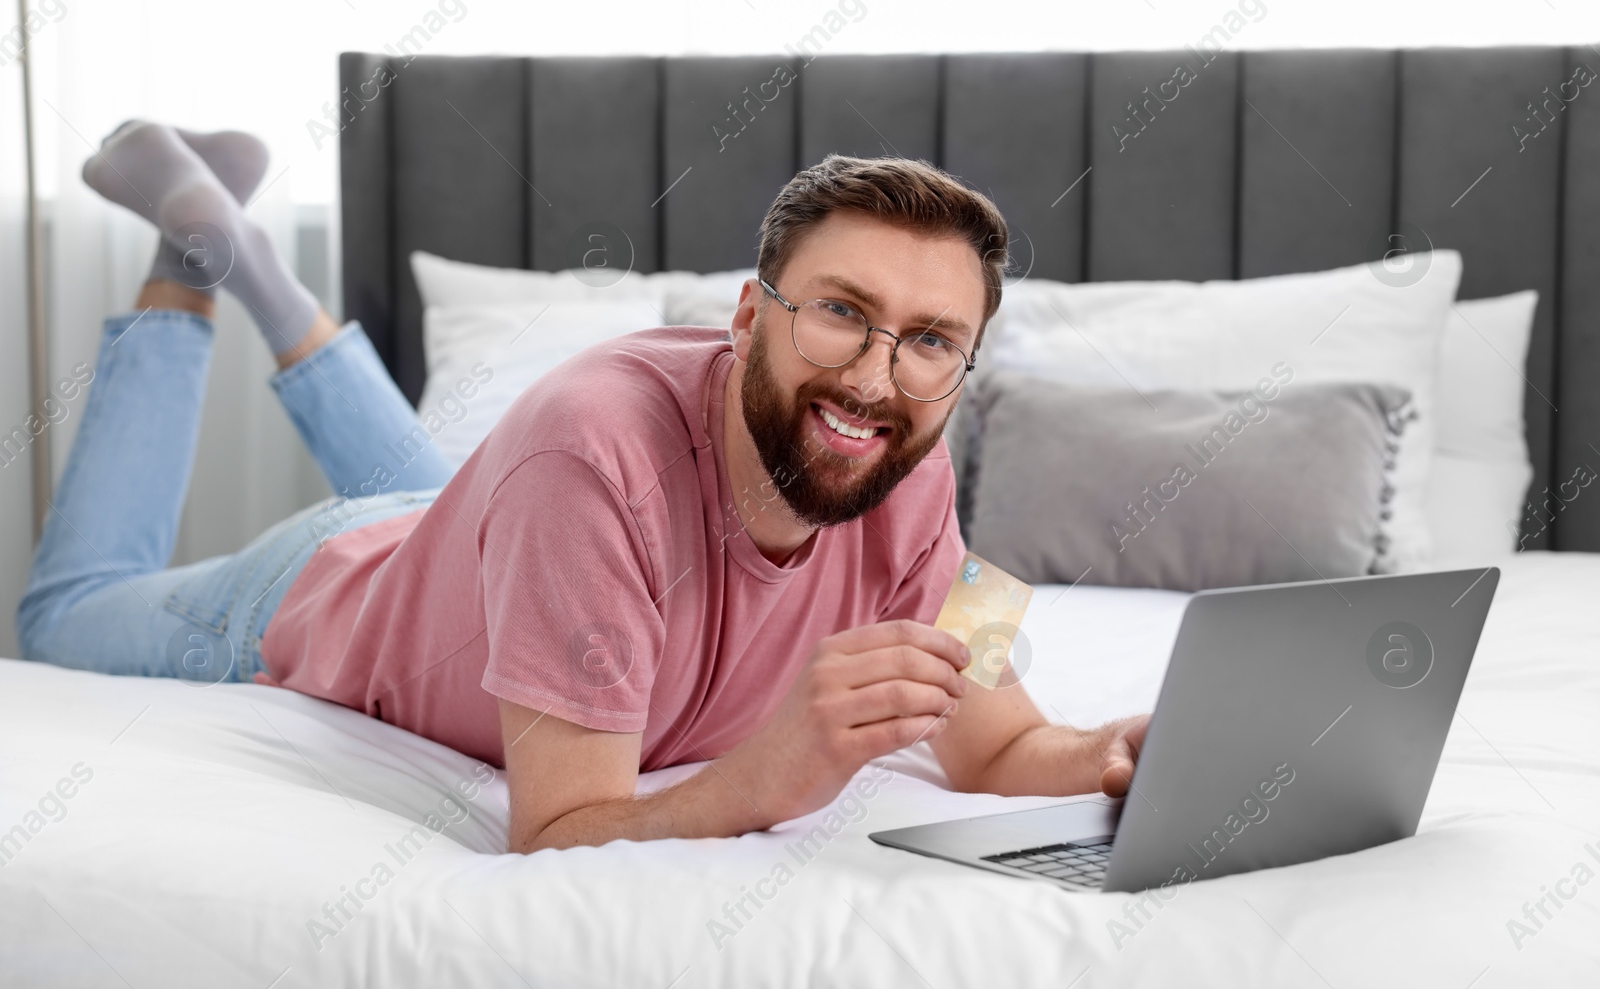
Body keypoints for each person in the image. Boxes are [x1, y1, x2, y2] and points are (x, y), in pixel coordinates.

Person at [19, 123, 1148, 854]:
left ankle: (248, 256)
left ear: (955, 370)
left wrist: (1116, 748)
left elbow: (997, 742)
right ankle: (195, 260)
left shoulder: (904, 457)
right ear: (748, 315)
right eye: (839, 310)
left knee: (469, 492)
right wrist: (769, 772)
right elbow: (560, 829)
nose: (873, 372)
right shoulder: (587, 456)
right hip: (312, 587)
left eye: (929, 340)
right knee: (61, 611)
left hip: (478, 529)